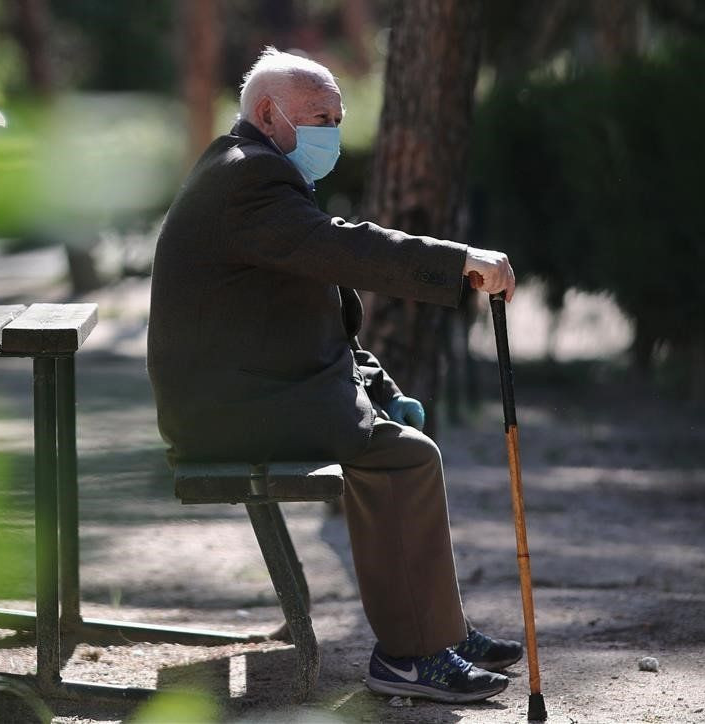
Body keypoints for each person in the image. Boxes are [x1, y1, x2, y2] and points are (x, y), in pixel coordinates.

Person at [147, 46, 521, 704]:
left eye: (337, 118)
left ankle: (436, 633)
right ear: (268, 114)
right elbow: (345, 247)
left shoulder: (247, 169)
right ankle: (411, 655)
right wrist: (459, 259)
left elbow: (311, 317)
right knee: (405, 459)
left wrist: (382, 389)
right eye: (320, 117)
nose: (332, 133)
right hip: (227, 411)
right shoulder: (249, 180)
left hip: (243, 395)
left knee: (400, 448)